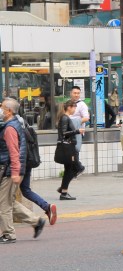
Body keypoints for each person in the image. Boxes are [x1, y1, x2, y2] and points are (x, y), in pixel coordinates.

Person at [0, 98, 46, 244]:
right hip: (10, 169)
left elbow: (14, 152)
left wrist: (15, 172)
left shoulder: (9, 129)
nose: (0, 109)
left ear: (8, 111)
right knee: (9, 201)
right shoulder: (14, 124)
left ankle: (9, 234)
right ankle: (36, 221)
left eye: (1, 107)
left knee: (4, 204)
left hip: (8, 170)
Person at [56, 100, 79, 201]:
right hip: (67, 147)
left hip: (68, 147)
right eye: (74, 107)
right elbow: (65, 133)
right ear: (69, 107)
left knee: (69, 169)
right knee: (77, 168)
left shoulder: (65, 117)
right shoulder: (65, 118)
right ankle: (63, 189)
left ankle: (63, 191)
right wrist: (77, 131)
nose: (75, 110)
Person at [69, 85, 89, 176]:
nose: (76, 95)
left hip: (78, 131)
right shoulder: (67, 103)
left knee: (75, 151)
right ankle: (75, 169)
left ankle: (78, 168)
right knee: (70, 151)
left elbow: (86, 118)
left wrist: (74, 122)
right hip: (69, 132)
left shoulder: (82, 105)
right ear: (70, 93)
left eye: (78, 93)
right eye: (74, 93)